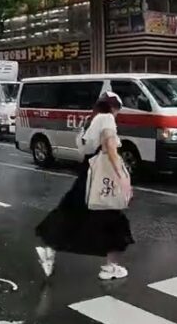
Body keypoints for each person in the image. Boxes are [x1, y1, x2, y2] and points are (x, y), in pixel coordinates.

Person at [35, 92, 133, 280]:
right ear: (113, 108)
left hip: (87, 172)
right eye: (118, 109)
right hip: (101, 176)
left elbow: (84, 148)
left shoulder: (91, 120)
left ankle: (49, 250)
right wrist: (122, 177)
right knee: (113, 219)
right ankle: (110, 267)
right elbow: (110, 148)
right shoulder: (107, 120)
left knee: (72, 213)